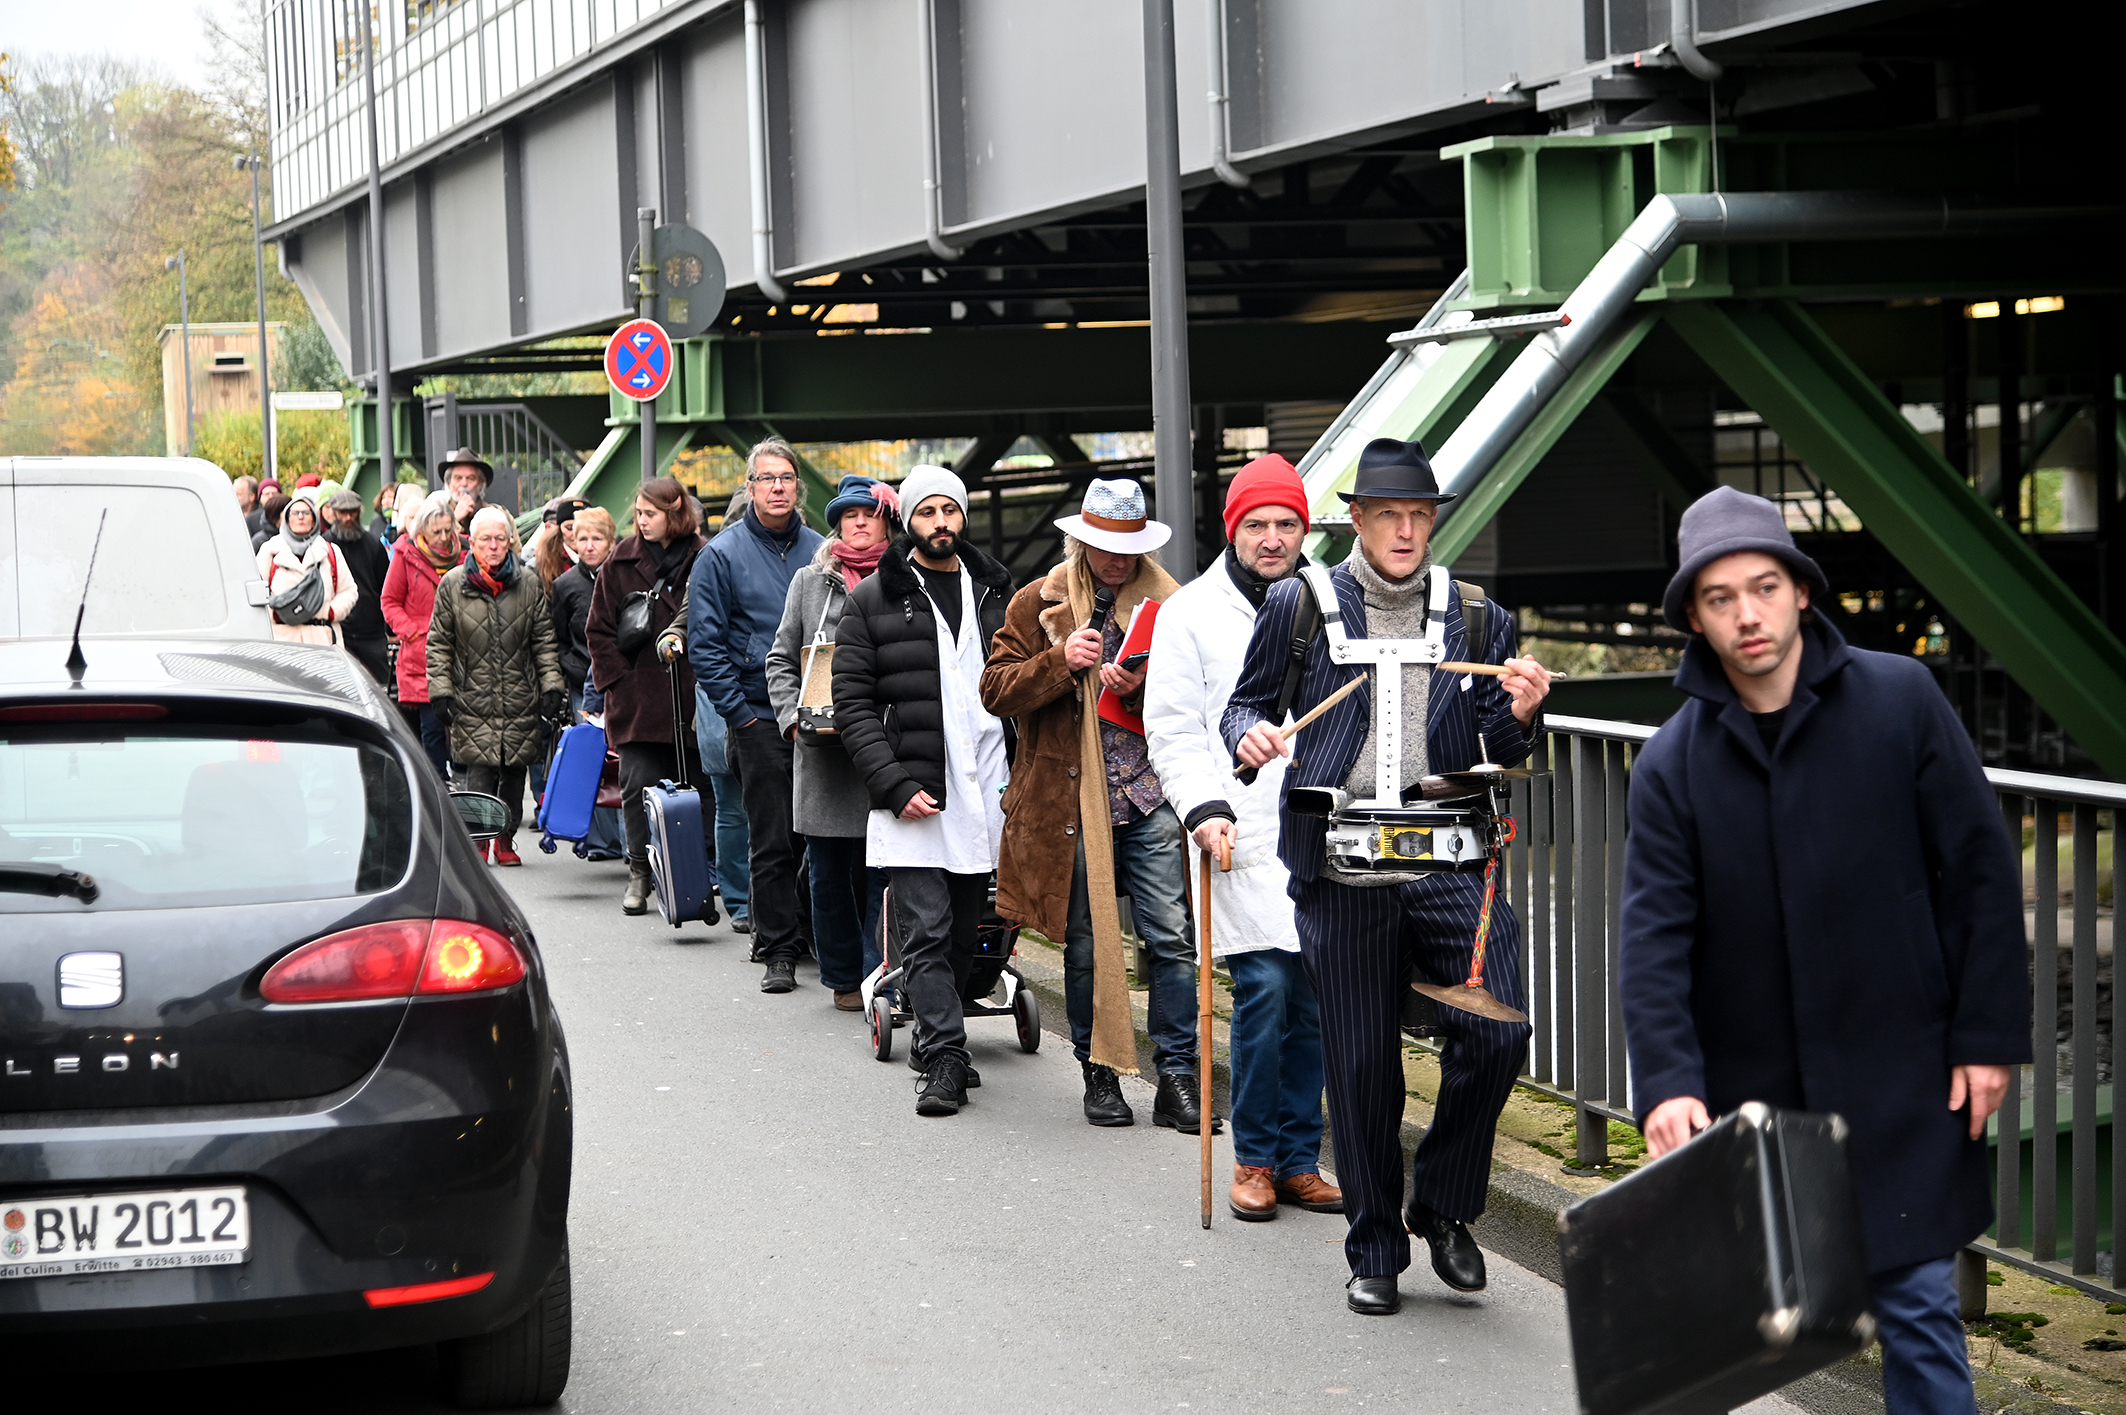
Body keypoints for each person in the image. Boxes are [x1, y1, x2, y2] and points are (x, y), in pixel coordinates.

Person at [1618, 488, 2028, 1415]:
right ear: (1694, 616)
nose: (1747, 614)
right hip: (1752, 1095)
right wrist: (1670, 1082)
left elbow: (1980, 872)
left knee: (1920, 1308)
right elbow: (1653, 935)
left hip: (1904, 1070)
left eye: (1764, 587)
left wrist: (1987, 1033)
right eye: (1720, 598)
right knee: (1724, 1332)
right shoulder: (1673, 762)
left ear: (1802, 590)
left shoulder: (1900, 698)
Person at [1224, 437, 1552, 1316]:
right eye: (1389, 515)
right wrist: (1248, 740)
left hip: (1449, 852)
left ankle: (1442, 1206)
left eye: (1420, 516)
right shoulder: (1299, 602)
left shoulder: (1479, 614)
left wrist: (1522, 711)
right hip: (1341, 855)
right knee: (1363, 1058)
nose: (1406, 530)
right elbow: (1246, 705)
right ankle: (1374, 1244)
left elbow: (1501, 745)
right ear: (1359, 521)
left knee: (1498, 1029)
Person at [1143, 455, 1343, 1222]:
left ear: (1304, 528)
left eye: (1285, 523)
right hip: (1239, 833)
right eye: (1256, 524)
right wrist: (1202, 808)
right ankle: (1255, 1158)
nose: (1271, 538)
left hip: (1323, 831)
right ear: (1233, 528)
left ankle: (1300, 1158)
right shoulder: (1189, 613)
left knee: (1319, 999)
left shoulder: (1334, 604)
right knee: (1263, 994)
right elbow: (1173, 729)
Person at [981, 478, 1211, 1133]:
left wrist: (1140, 687)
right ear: (1081, 541)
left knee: (1169, 942)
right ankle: (1098, 1071)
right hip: (1070, 803)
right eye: (1106, 546)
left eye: (1129, 546)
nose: (1118, 559)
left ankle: (1176, 1080)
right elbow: (994, 690)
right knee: (1085, 943)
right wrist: (1060, 659)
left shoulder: (1172, 604)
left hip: (1149, 793)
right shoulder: (1038, 600)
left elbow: (1203, 698)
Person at [835, 466, 1016, 1115]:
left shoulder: (995, 588)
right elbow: (851, 703)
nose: (941, 522)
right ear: (907, 519)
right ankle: (944, 1055)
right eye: (927, 511)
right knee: (928, 928)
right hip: (910, 788)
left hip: (982, 788)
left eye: (950, 510)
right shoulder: (873, 599)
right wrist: (893, 782)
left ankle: (936, 1029)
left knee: (968, 928)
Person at [689, 438, 825, 993]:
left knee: (819, 835)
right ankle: (777, 949)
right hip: (758, 713)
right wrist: (741, 716)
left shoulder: (822, 550)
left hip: (820, 710)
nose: (777, 487)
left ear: (798, 487)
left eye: (786, 478)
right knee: (771, 834)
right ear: (749, 489)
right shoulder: (720, 555)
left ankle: (815, 933)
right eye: (766, 479)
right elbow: (705, 645)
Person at [766, 475, 902, 1010]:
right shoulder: (808, 581)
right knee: (826, 874)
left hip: (884, 750)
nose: (860, 522)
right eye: (850, 516)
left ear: (886, 521)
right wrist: (790, 720)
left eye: (870, 513)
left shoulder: (904, 578)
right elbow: (779, 658)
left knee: (882, 869)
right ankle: (844, 979)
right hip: (820, 753)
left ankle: (878, 979)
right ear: (838, 524)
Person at [586, 476, 710, 915]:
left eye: (650, 514)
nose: (641, 522)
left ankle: (697, 873)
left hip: (692, 695)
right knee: (637, 785)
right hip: (637, 699)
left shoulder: (704, 557)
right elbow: (598, 632)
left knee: (698, 787)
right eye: (637, 514)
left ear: (675, 512)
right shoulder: (619, 562)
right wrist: (619, 683)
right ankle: (639, 871)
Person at [425, 505, 566, 866]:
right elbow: (439, 642)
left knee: (514, 769)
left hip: (519, 691)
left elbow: (543, 640)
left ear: (509, 542)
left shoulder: (528, 582)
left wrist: (551, 685)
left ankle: (505, 838)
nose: (492, 546)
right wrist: (440, 691)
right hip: (472, 692)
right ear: (472, 543)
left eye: (499, 539)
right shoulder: (453, 584)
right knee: (478, 772)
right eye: (485, 539)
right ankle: (479, 841)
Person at [550, 506, 626, 859]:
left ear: (611, 542)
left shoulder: (623, 577)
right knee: (591, 759)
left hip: (621, 679)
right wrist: (572, 668)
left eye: (597, 538)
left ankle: (630, 842)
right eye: (583, 539)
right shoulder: (565, 585)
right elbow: (559, 635)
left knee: (623, 759)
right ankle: (599, 840)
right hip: (583, 678)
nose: (590, 545)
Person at [382, 495, 461, 777]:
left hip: (463, 651)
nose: (443, 538)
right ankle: (437, 787)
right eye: (436, 532)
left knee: (463, 729)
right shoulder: (404, 554)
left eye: (447, 531)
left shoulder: (464, 554)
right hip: (421, 655)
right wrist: (411, 631)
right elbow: (389, 601)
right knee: (433, 731)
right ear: (422, 530)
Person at [257, 487, 358, 647]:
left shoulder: (330, 551)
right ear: (287, 519)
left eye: (306, 513)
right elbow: (255, 595)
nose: (301, 517)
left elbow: (349, 591)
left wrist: (330, 612)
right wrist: (277, 614)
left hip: (323, 640)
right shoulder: (270, 550)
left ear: (314, 518)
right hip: (283, 641)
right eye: (295, 513)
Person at [326, 487, 395, 685]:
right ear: (333, 513)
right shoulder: (324, 546)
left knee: (381, 687)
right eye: (343, 513)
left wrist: (390, 629)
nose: (348, 517)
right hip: (338, 630)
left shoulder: (373, 545)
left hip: (371, 631)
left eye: (353, 512)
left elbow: (386, 588)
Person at [439, 447, 493, 534]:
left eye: (471, 478)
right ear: (449, 483)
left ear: (480, 484)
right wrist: (455, 518)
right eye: (458, 478)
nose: (464, 483)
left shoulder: (496, 513)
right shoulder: (437, 514)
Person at [250, 484, 288, 552]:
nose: (271, 496)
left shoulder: (297, 536)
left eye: (274, 493)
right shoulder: (259, 541)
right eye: (267, 494)